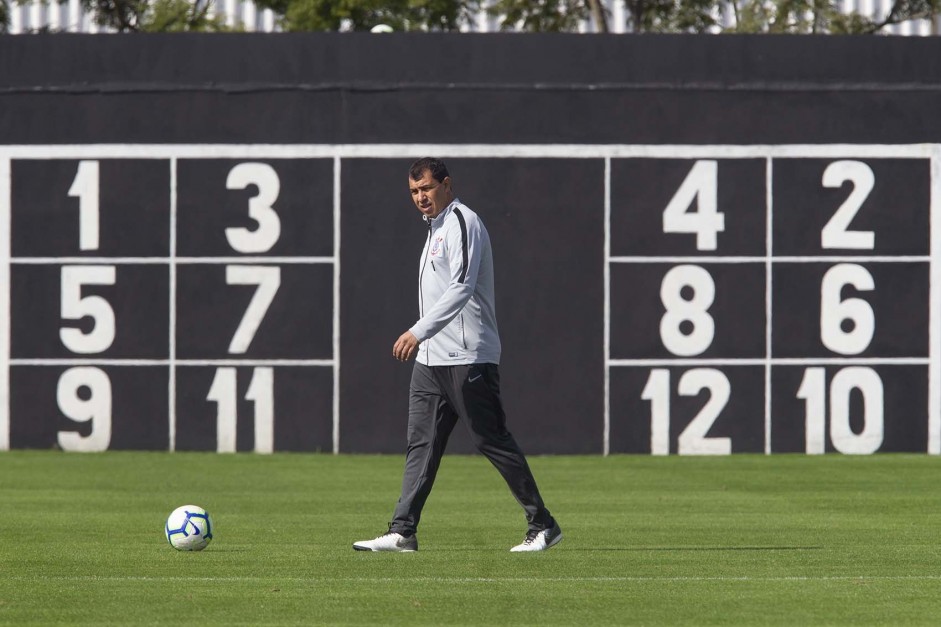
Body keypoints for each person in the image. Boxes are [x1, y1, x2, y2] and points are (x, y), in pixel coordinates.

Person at [353, 157, 562, 553]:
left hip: (468, 355)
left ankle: (544, 525)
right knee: (421, 444)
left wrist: (417, 331)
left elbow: (462, 287)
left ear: (446, 185)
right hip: (431, 361)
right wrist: (425, 341)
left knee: (491, 440)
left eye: (427, 189)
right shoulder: (434, 230)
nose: (421, 198)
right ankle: (403, 531)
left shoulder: (463, 222)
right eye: (414, 192)